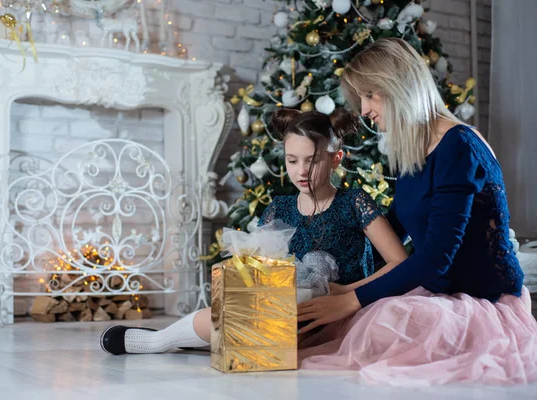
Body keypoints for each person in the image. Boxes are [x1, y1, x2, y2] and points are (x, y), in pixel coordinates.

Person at [297, 37, 537, 385]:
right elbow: (392, 237)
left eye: (369, 95)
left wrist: (352, 300)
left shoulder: (460, 146)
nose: (363, 111)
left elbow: (435, 257)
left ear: (397, 86)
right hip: (439, 294)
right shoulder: (415, 153)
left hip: (479, 304)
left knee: (378, 328)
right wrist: (343, 287)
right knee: (344, 328)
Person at [99, 108, 407, 356]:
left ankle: (182, 338)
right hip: (287, 308)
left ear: (335, 159)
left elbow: (399, 262)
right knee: (241, 312)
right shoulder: (279, 208)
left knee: (263, 331)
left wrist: (352, 293)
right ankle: (160, 342)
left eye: (312, 162)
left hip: (340, 313)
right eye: (292, 161)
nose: (301, 171)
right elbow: (259, 269)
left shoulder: (354, 202)